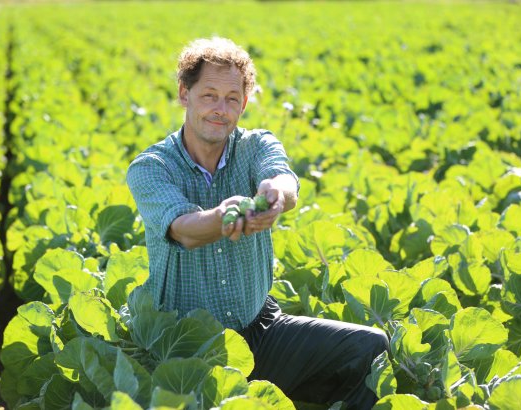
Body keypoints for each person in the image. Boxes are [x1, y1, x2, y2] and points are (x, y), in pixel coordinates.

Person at [126, 37, 389, 410]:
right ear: (185, 94)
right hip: (186, 347)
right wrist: (223, 216)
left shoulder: (256, 146)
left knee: (371, 348)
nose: (220, 109)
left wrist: (274, 197)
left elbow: (282, 178)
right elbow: (183, 229)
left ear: (244, 104)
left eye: (232, 98)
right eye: (209, 96)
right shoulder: (152, 167)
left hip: (261, 329)